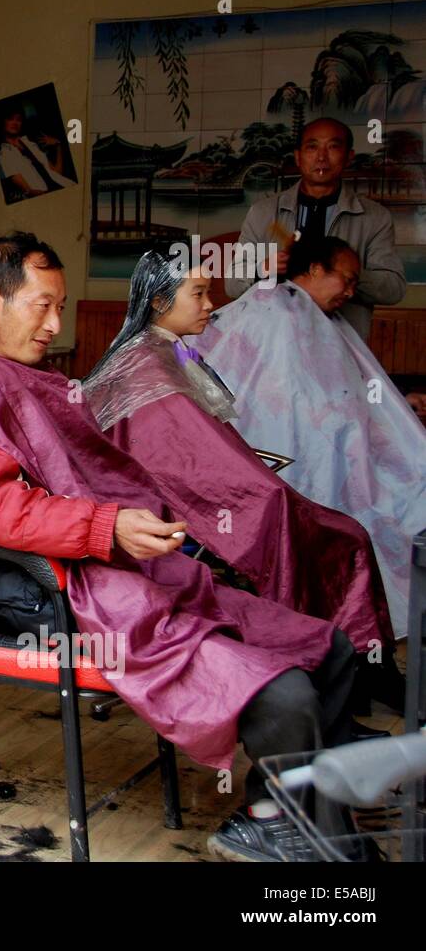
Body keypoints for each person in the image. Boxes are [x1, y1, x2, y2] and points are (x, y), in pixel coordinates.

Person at [0, 232, 358, 862]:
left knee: (331, 648)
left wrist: (131, 521)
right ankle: (291, 825)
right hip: (27, 584)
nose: (55, 325)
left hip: (90, 562)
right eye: (41, 306)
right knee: (283, 691)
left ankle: (280, 815)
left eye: (60, 306)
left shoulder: (22, 376)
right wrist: (108, 528)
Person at [82, 251, 394, 679]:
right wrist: (266, 492)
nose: (211, 304)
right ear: (158, 302)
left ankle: (354, 665)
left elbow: (206, 444)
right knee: (349, 538)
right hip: (185, 507)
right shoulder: (148, 367)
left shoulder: (170, 352)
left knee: (339, 533)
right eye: (199, 293)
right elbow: (188, 461)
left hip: (222, 489)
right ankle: (340, 666)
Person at [193, 236, 426, 646]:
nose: (352, 292)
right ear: (315, 270)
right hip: (278, 458)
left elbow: (336, 397)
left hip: (312, 447)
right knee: (394, 486)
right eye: (347, 280)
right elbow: (288, 407)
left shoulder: (307, 316)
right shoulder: (277, 314)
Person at [229, 117, 405, 339]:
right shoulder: (263, 213)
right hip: (273, 345)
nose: (321, 157)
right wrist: (262, 271)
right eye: (312, 147)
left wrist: (345, 277)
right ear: (298, 156)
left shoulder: (374, 217)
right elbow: (232, 283)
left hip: (341, 348)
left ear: (348, 156)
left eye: (333, 147)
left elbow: (394, 288)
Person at [0, 109, 72, 202]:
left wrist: (58, 146)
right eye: (10, 119)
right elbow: (29, 191)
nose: (15, 123)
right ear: (2, 122)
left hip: (65, 187)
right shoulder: (4, 156)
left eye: (18, 119)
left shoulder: (32, 145)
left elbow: (57, 174)